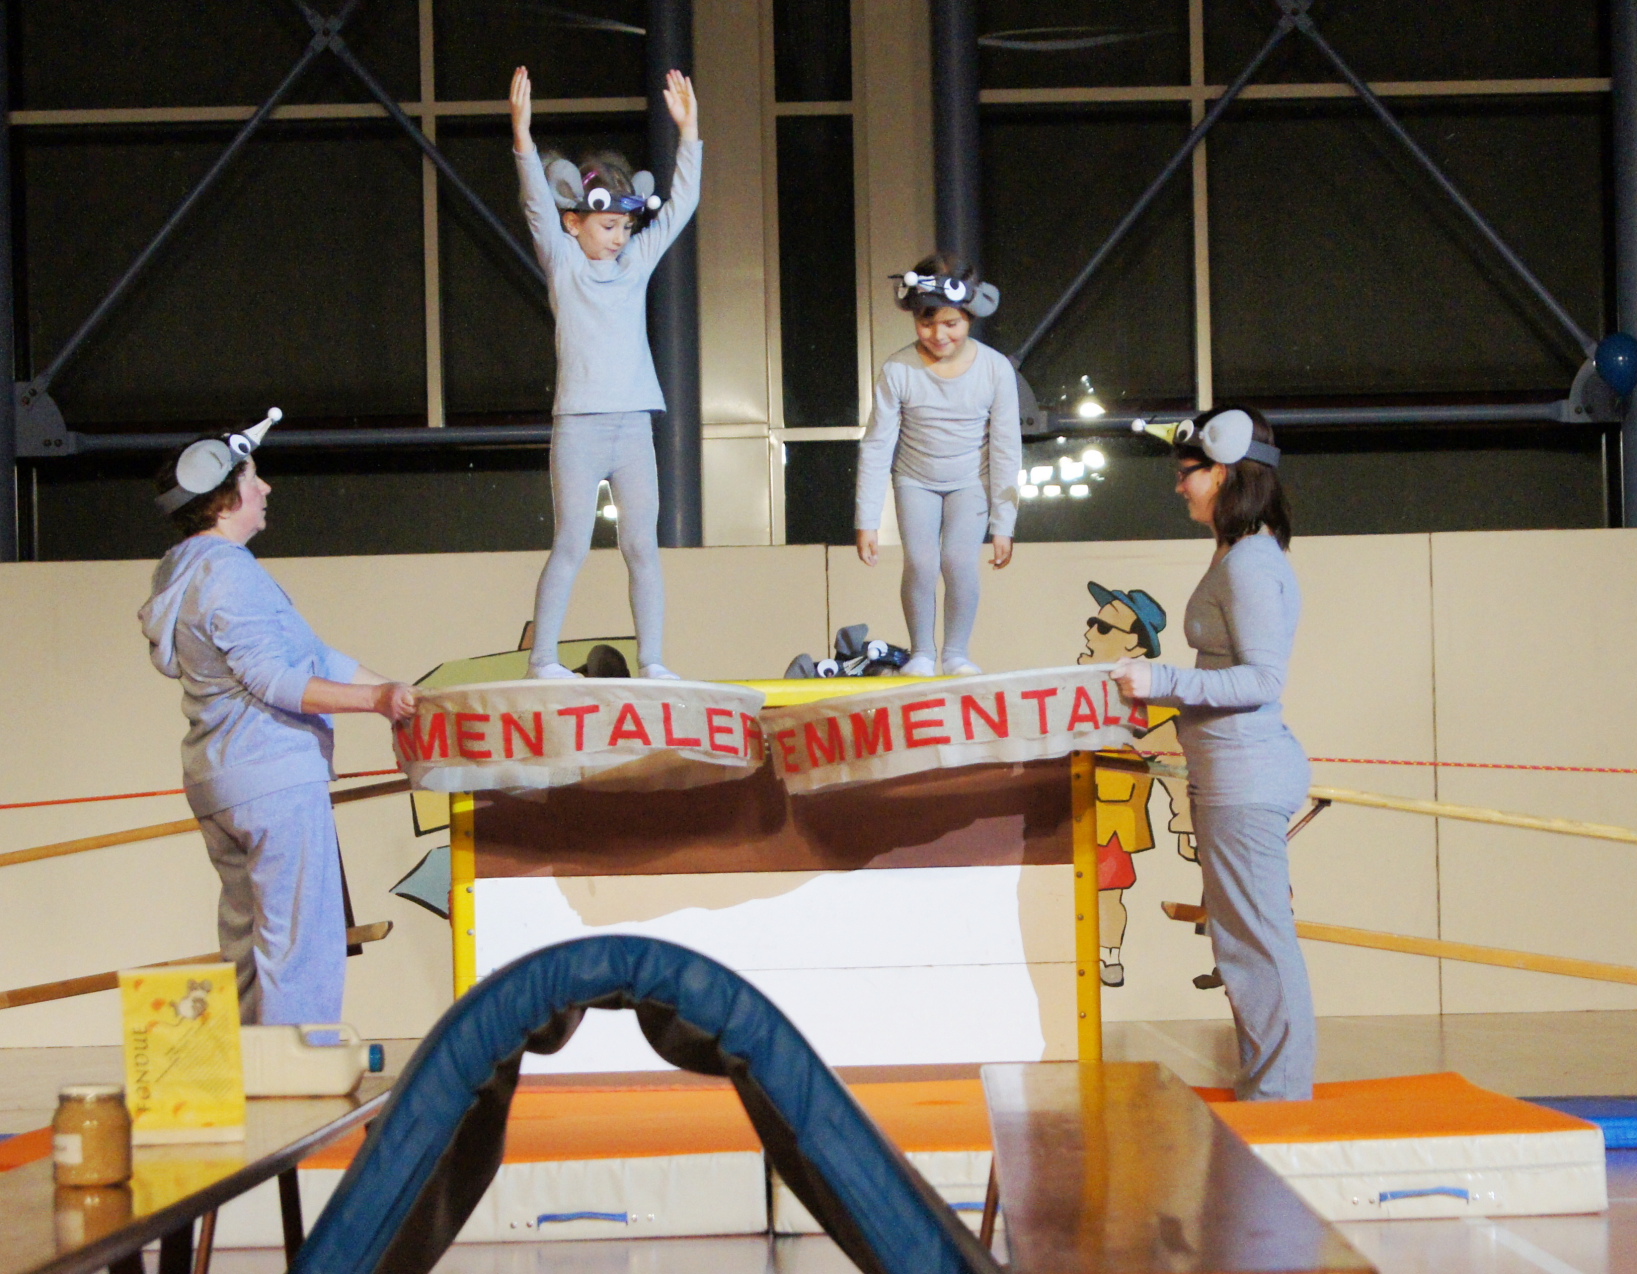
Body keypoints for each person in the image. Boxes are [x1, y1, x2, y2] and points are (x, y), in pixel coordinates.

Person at [138, 418, 416, 1026]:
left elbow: (315, 658)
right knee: (301, 945)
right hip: (272, 779)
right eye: (254, 478)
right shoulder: (229, 572)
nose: (265, 489)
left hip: (221, 780)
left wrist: (400, 694)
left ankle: (250, 1068)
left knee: (247, 945)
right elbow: (275, 680)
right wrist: (376, 701)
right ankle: (299, 1067)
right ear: (224, 499)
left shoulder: (182, 572)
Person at [1110, 406, 1314, 1101]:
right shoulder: (1238, 553)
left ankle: (1281, 1097)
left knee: (1256, 944)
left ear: (1224, 473)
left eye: (1188, 473)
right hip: (1227, 774)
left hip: (1246, 776)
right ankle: (1270, 1086)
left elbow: (1262, 681)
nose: (1179, 486)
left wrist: (1161, 680)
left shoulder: (1251, 562)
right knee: (1239, 944)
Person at [510, 64, 700, 681]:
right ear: (575, 222)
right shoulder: (563, 262)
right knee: (570, 543)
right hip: (579, 425)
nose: (620, 237)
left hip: (634, 425)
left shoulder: (636, 262)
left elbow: (681, 206)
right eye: (608, 225)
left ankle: (654, 661)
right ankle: (543, 660)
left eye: (625, 226)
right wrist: (522, 137)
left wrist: (689, 134)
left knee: (642, 546)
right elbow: (536, 205)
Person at [854, 253, 1022, 677]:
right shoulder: (898, 368)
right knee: (922, 562)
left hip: (972, 482)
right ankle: (922, 653)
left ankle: (956, 654)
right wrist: (866, 519)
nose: (938, 334)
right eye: (926, 323)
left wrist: (1004, 523)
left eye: (951, 323)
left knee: (959, 561)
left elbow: (1006, 447)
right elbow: (877, 445)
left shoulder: (995, 369)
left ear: (970, 317)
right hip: (915, 481)